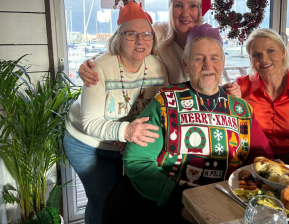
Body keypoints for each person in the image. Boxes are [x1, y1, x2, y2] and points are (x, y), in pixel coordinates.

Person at [102, 24, 273, 223]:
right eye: (199, 58)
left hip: (225, 204)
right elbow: (138, 162)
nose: (208, 66)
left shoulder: (241, 109)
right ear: (186, 64)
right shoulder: (165, 101)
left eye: (214, 58)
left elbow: (263, 159)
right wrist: (181, 203)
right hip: (168, 204)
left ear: (223, 62)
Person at [63, 0, 168, 224]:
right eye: (131, 34)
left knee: (124, 199)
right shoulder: (98, 69)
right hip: (86, 143)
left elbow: (160, 109)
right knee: (101, 199)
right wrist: (125, 132)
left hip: (125, 142)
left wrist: (127, 135)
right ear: (118, 38)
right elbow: (90, 123)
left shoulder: (159, 68)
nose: (140, 40)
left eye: (146, 34)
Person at [78, 0, 213, 86]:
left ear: (200, 11)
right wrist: (91, 62)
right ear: (171, 9)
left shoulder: (209, 40)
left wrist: (231, 89)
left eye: (192, 6)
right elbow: (124, 47)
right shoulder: (157, 32)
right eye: (178, 5)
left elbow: (217, 75)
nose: (185, 13)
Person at [225, 28, 289, 165]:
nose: (264, 59)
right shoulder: (240, 88)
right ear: (251, 59)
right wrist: (225, 96)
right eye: (256, 54)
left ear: (283, 53)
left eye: (270, 51)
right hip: (252, 162)